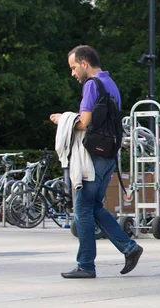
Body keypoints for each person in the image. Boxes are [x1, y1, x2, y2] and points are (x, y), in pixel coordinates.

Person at [50, 45, 143, 278]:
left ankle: (86, 265)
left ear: (84, 63)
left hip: (92, 158)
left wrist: (63, 119)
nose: (73, 73)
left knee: (82, 210)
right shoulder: (111, 84)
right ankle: (129, 247)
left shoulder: (92, 85)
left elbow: (84, 123)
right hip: (109, 156)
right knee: (94, 207)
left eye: (73, 68)